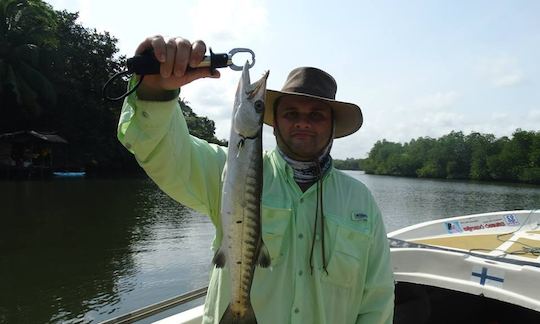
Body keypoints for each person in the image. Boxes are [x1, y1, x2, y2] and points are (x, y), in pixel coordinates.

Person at [118, 36, 394, 324]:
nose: (303, 122)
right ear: (274, 122)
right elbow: (162, 150)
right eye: (291, 113)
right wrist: (155, 90)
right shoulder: (225, 169)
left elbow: (377, 298)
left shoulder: (361, 201)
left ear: (333, 125)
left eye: (316, 115)